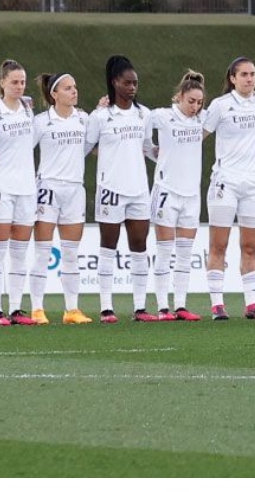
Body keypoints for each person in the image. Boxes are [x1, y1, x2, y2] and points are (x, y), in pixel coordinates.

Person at [85, 55, 154, 323]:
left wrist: (169, 153)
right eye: (127, 83)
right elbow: (86, 147)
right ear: (115, 82)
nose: (132, 87)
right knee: (108, 246)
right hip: (110, 189)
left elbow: (147, 148)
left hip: (139, 189)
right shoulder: (100, 116)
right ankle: (106, 307)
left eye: (135, 83)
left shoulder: (144, 114)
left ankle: (140, 307)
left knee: (139, 246)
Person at [203, 56, 255, 320]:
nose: (249, 78)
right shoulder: (220, 105)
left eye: (252, 74)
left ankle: (252, 304)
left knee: (250, 247)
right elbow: (198, 133)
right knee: (218, 245)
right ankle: (217, 305)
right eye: (244, 74)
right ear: (232, 78)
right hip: (226, 182)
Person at [29, 72, 94, 325]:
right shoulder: (41, 121)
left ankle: (71, 310)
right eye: (67, 88)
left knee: (70, 253)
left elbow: (89, 147)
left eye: (74, 87)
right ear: (54, 94)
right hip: (48, 188)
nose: (74, 91)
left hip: (75, 190)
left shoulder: (84, 119)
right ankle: (37, 309)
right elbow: (23, 149)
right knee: (43, 252)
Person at [145, 70, 207, 322]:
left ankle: (180, 305)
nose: (195, 107)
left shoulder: (201, 119)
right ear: (179, 96)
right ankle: (162, 307)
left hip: (191, 195)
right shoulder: (162, 116)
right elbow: (139, 126)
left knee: (184, 254)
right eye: (191, 101)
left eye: (199, 102)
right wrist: (152, 152)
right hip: (166, 192)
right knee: (164, 251)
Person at [0, 60, 39, 326]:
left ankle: (16, 309)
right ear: (2, 82)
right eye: (14, 82)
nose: (19, 86)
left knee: (19, 252)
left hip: (26, 188)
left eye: (22, 82)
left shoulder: (27, 109)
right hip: (0, 186)